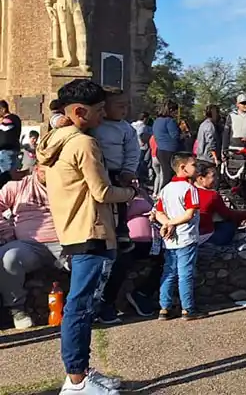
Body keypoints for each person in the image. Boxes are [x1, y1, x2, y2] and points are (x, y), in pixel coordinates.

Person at [36, 79, 136, 395]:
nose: (103, 117)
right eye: (98, 111)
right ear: (80, 112)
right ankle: (77, 381)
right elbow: (102, 191)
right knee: (80, 307)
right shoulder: (83, 143)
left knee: (81, 305)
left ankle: (81, 373)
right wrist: (131, 193)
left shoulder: (55, 139)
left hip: (74, 229)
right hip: (90, 230)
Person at [0, 165, 62, 329]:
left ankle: (91, 306)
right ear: (35, 167)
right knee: (8, 257)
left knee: (90, 257)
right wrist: (6, 232)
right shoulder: (18, 186)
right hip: (28, 245)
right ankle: (17, 309)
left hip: (65, 242)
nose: (46, 172)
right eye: (43, 168)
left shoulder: (69, 183)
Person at [152, 152, 205, 321]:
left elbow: (158, 212)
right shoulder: (190, 189)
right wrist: (172, 223)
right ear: (183, 167)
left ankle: (165, 307)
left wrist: (167, 223)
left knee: (169, 272)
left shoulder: (165, 189)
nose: (197, 168)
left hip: (170, 240)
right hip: (186, 237)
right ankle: (188, 308)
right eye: (194, 165)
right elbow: (190, 214)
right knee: (185, 273)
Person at [96, 194, 164, 324]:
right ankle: (106, 303)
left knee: (166, 262)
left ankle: (142, 294)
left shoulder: (142, 192)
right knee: (120, 264)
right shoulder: (116, 193)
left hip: (152, 241)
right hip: (125, 241)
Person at [93, 88, 140, 250]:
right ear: (104, 107)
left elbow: (133, 152)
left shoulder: (127, 129)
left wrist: (128, 170)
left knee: (120, 202)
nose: (124, 110)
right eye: (120, 106)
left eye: (126, 106)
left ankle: (122, 231)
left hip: (116, 171)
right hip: (96, 170)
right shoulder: (95, 125)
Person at [193, 161, 246, 246]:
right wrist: (245, 214)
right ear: (200, 178)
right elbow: (227, 215)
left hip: (188, 235)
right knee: (229, 226)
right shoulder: (212, 195)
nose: (216, 179)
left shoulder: (185, 190)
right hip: (204, 236)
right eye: (213, 176)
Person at [152, 100, 181, 194]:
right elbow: (175, 136)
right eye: (175, 111)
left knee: (165, 174)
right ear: (171, 110)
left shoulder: (157, 121)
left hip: (160, 150)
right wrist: (183, 134)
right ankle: (164, 195)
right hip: (170, 150)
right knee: (169, 175)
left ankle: (162, 194)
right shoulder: (170, 121)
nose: (176, 114)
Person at [0, 100, 22, 174]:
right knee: (12, 174)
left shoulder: (8, 119)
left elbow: (3, 128)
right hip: (14, 149)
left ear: (3, 109)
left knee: (6, 176)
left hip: (7, 151)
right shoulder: (16, 118)